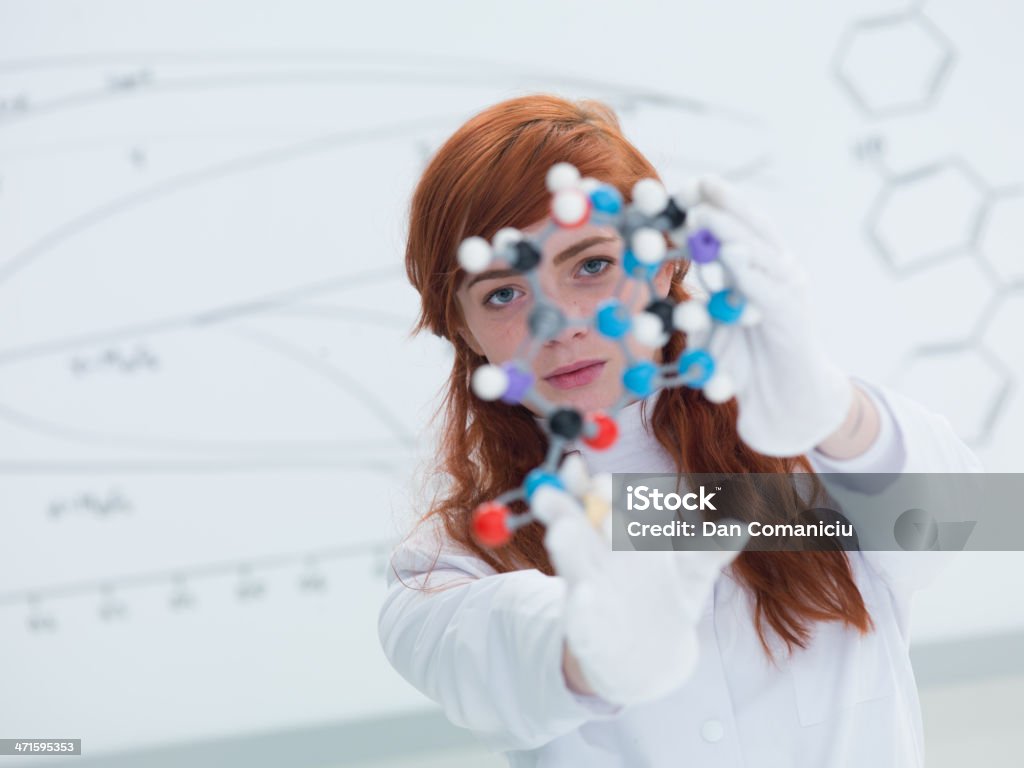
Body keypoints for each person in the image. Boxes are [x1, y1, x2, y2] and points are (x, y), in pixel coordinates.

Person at [378, 94, 982, 767]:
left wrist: (839, 416)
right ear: (459, 327)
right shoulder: (448, 562)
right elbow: (495, 662)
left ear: (664, 263)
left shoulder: (809, 446)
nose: (566, 321)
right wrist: (591, 650)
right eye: (503, 294)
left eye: (591, 265)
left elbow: (972, 518)